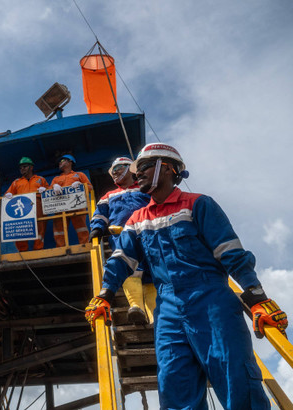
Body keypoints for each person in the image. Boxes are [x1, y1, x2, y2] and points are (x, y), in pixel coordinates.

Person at [85, 143, 288, 409]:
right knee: (174, 385)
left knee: (236, 377)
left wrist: (257, 296)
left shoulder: (198, 205)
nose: (138, 175)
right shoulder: (137, 219)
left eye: (143, 167)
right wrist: (104, 296)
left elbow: (231, 253)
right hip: (167, 308)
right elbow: (121, 259)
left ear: (166, 168)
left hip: (212, 302)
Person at [89, 156, 155, 324]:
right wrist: (97, 227)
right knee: (129, 270)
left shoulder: (145, 189)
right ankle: (136, 307)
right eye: (113, 170)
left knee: (151, 274)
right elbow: (100, 213)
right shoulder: (109, 196)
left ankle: (156, 316)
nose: (115, 172)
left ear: (129, 168)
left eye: (119, 168)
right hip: (121, 236)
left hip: (147, 233)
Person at [4, 157, 49, 251]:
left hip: (38, 205)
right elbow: (7, 196)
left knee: (40, 227)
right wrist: (7, 196)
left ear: (31, 167)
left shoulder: (40, 180)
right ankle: (23, 250)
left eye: (24, 166)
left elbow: (50, 192)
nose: (22, 169)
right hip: (22, 208)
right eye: (20, 167)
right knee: (21, 228)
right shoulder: (16, 182)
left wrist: (46, 190)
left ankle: (38, 248)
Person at [50, 154, 92, 247]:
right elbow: (48, 193)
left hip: (77, 206)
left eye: (62, 161)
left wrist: (81, 184)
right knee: (59, 230)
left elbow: (90, 187)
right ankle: (61, 248)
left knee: (81, 227)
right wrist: (54, 186)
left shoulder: (79, 175)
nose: (59, 163)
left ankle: (84, 245)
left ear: (70, 162)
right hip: (60, 208)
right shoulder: (56, 179)